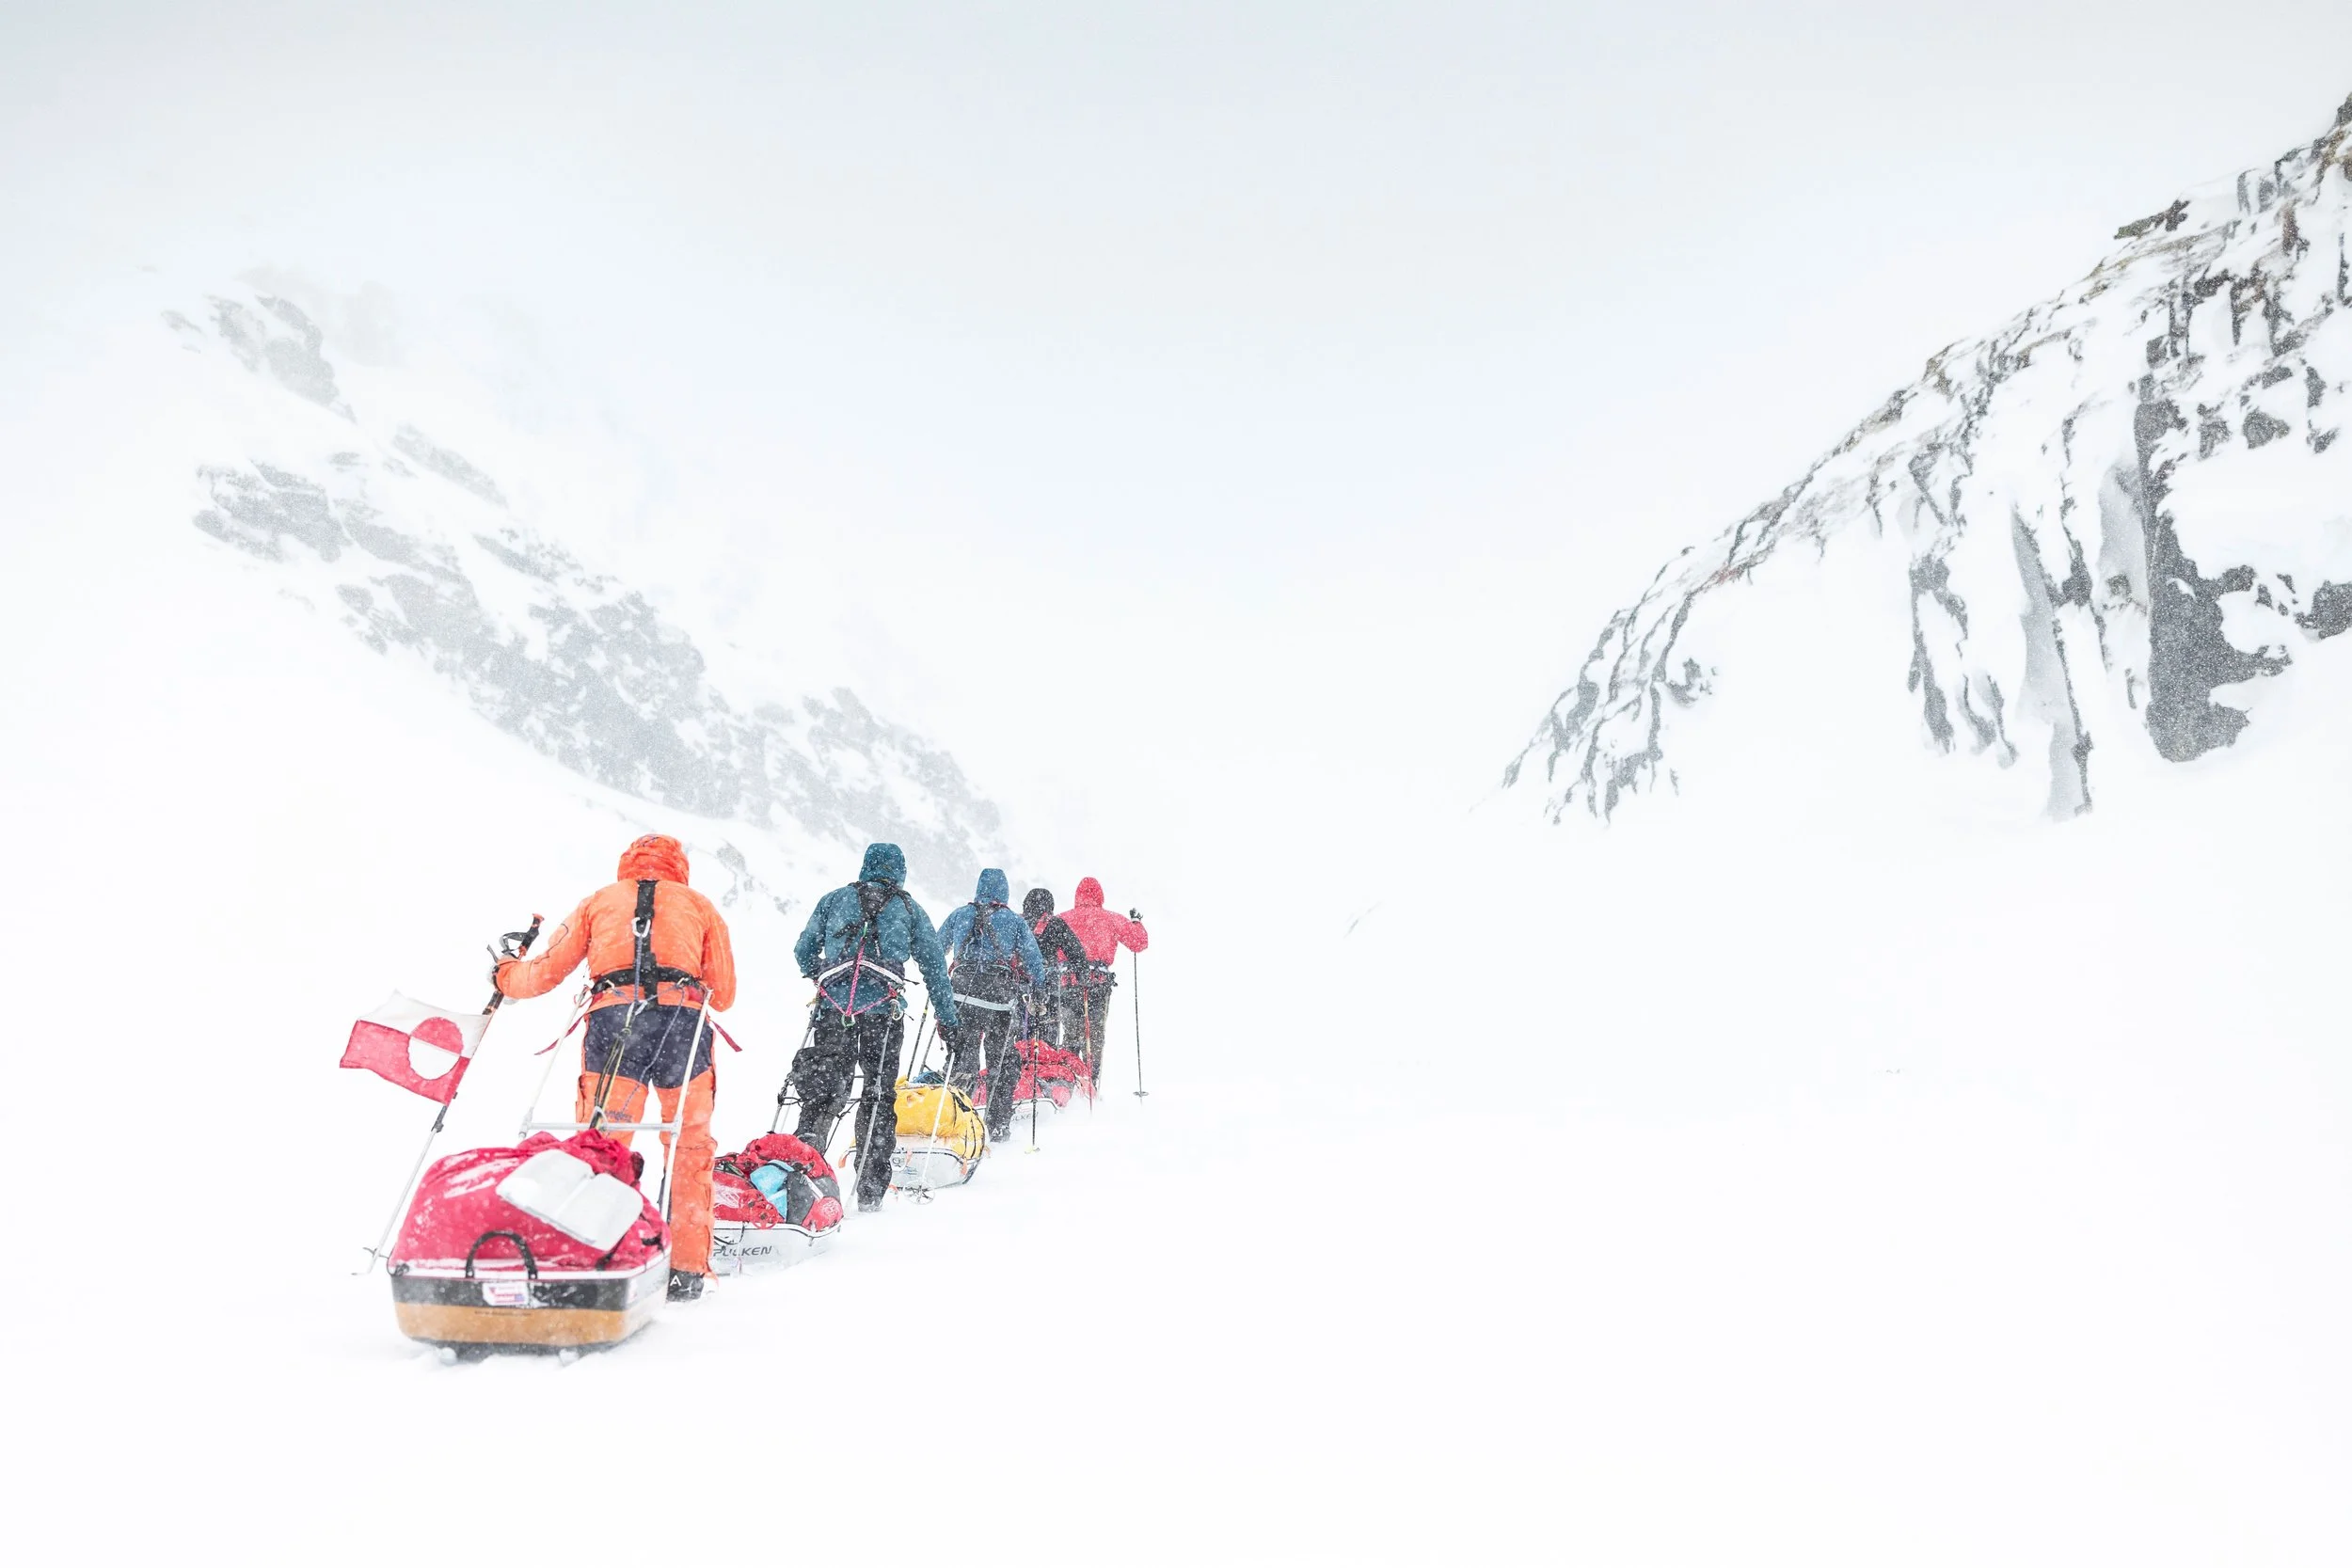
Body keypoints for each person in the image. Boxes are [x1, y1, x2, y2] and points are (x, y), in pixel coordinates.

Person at [494, 833, 737, 1302]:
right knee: (689, 1147)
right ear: (678, 867)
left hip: (612, 1024)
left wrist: (504, 972)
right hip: (683, 1028)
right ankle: (685, 1269)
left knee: (602, 1143)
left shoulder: (599, 903)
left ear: (628, 864)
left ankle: (595, 1253)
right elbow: (723, 993)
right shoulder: (699, 906)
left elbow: (541, 974)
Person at [788, 843, 962, 1212]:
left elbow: (803, 950)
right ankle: (869, 1191)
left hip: (833, 1009)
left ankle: (802, 1171)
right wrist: (948, 1021)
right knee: (879, 1095)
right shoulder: (909, 910)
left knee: (822, 1090)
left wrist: (821, 973)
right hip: (882, 1014)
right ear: (899, 871)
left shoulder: (834, 900)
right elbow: (933, 967)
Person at [939, 869, 1053, 1144]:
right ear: (1004, 892)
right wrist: (1039, 994)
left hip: (962, 996)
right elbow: (1034, 963)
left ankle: (958, 1121)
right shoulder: (1014, 922)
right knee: (1002, 1060)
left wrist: (941, 988)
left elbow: (936, 948)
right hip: (1000, 1001)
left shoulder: (959, 915)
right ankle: (997, 1124)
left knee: (962, 1057)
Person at [1056, 877, 1148, 1083]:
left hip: (1069, 984)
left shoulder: (1063, 919)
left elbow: (1042, 943)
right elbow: (1138, 943)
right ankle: (1091, 1082)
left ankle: (1068, 1082)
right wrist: (1136, 922)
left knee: (1071, 1034)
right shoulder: (1111, 919)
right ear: (1100, 896)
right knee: (1095, 1036)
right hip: (1098, 984)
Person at [1021, 887, 1094, 1050]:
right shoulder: (1055, 924)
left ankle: (1019, 1065)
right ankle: (1047, 1065)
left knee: (1021, 1029)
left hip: (1021, 983)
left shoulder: (1018, 922)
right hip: (1049, 986)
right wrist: (1082, 974)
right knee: (1048, 1029)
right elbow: (1076, 952)